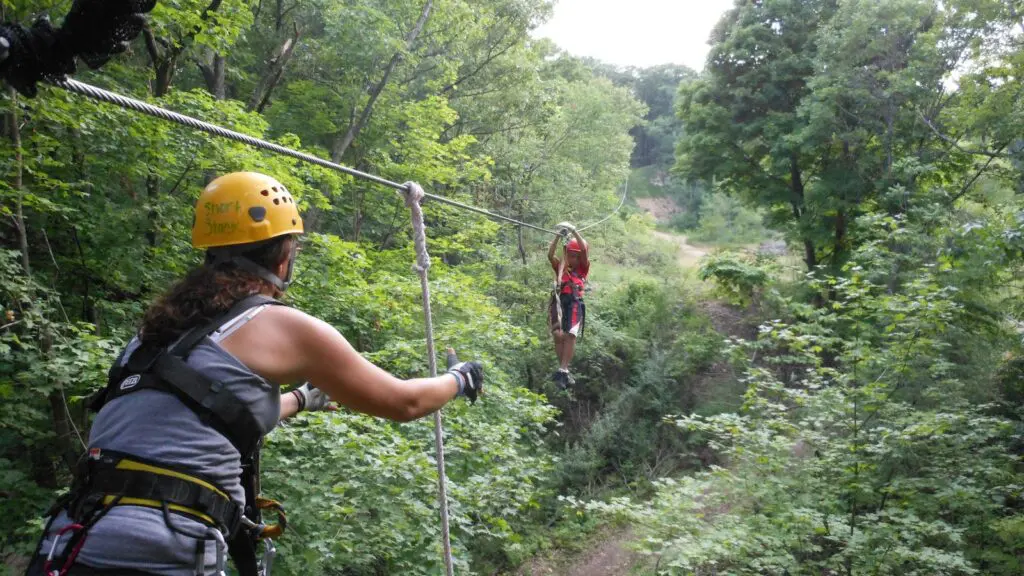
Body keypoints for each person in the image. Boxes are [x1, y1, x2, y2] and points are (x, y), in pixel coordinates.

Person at [26, 171, 483, 576]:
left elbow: (204, 409)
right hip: (164, 552)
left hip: (69, 543)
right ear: (284, 258)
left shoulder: (158, 331)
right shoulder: (284, 326)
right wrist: (459, 379)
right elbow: (404, 402)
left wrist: (301, 399)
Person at [547, 222, 589, 388]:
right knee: (558, 335)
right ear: (566, 254)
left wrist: (574, 231)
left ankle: (564, 369)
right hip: (559, 301)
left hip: (573, 301)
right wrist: (558, 236)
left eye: (576, 256)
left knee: (571, 334)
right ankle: (562, 370)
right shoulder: (560, 267)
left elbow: (583, 251)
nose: (574, 259)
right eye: (571, 255)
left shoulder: (583, 268)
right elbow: (550, 255)